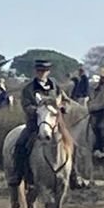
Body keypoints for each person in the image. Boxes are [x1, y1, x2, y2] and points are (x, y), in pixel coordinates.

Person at [10, 59, 64, 189]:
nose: (42, 73)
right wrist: (38, 110)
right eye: (39, 71)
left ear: (48, 72)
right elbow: (26, 104)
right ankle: (18, 173)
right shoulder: (28, 88)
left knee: (72, 143)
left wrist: (63, 107)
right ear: (36, 71)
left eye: (44, 71)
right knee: (20, 144)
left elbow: (64, 99)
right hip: (35, 123)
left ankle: (73, 174)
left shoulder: (55, 86)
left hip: (54, 122)